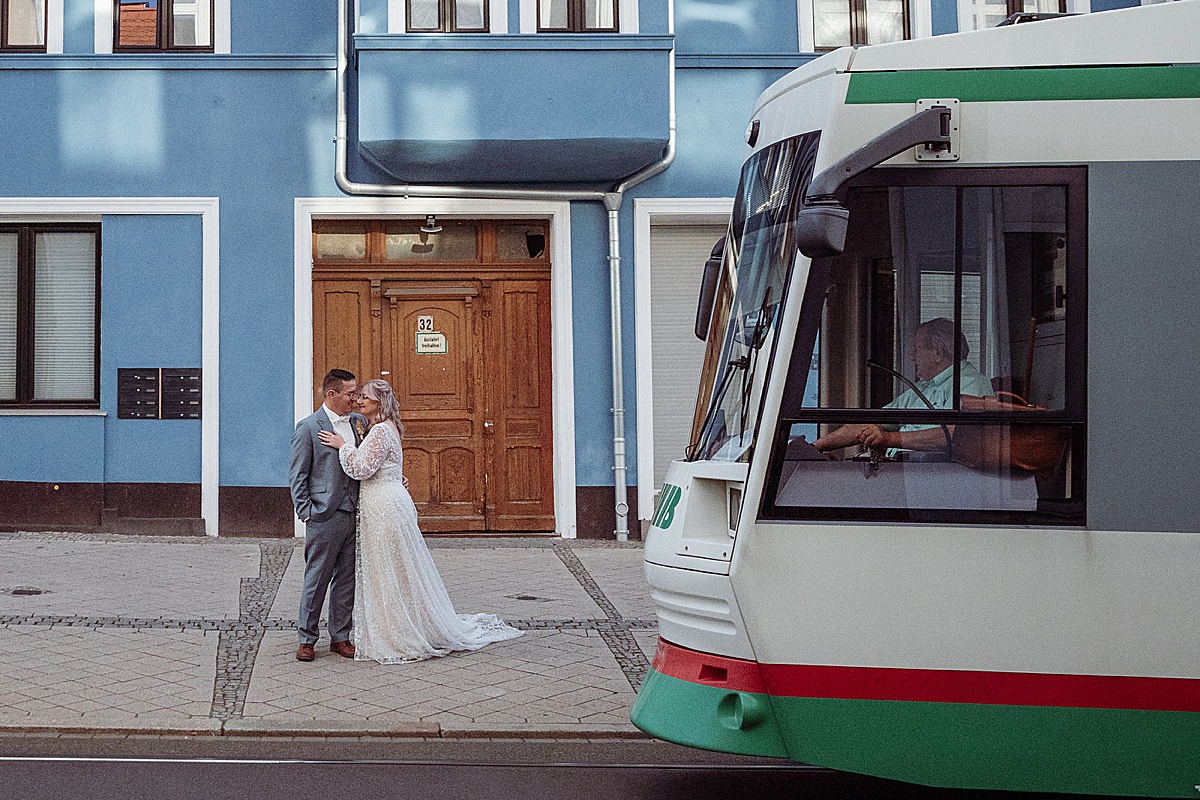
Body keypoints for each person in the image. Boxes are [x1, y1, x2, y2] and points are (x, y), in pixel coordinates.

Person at [318, 378, 523, 664]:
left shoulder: (379, 431)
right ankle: (401, 623)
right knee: (394, 568)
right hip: (385, 500)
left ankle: (400, 632)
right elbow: (385, 467)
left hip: (384, 506)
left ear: (379, 402)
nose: (359, 401)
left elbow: (362, 468)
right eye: (359, 395)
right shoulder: (383, 429)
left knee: (389, 569)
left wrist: (343, 447)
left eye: (365, 397)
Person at [813, 317, 993, 455]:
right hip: (905, 472)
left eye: (917, 349)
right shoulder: (924, 387)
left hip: (939, 481)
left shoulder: (972, 384)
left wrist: (890, 438)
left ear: (938, 353)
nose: (912, 356)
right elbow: (874, 421)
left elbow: (958, 435)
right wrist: (815, 448)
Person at [290, 368, 367, 662]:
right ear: (331, 394)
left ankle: (341, 636)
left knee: (346, 578)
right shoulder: (309, 427)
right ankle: (307, 638)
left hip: (353, 511)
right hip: (324, 514)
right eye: (350, 394)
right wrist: (308, 511)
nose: (355, 399)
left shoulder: (359, 423)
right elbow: (298, 475)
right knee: (317, 577)